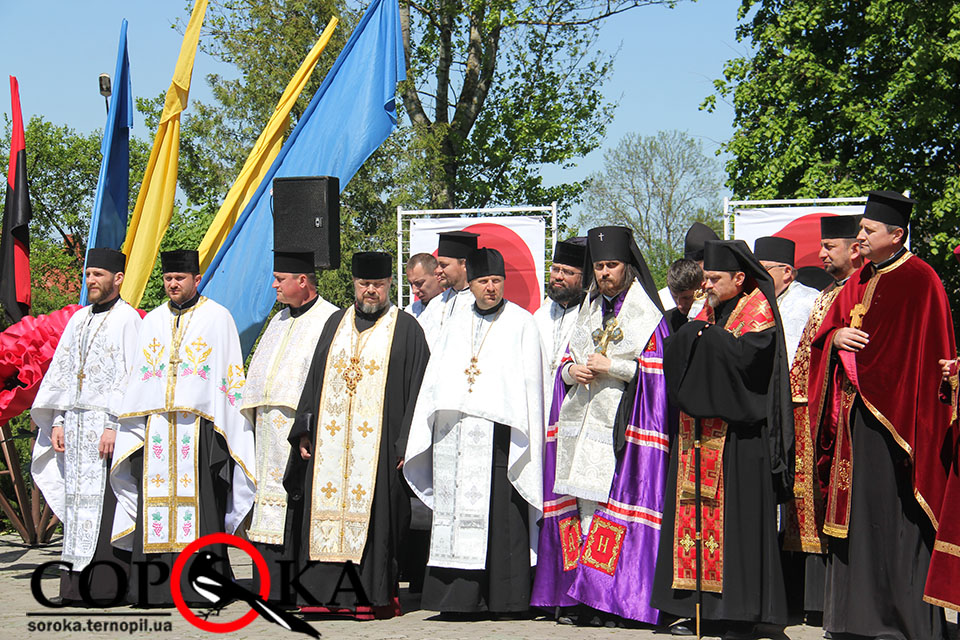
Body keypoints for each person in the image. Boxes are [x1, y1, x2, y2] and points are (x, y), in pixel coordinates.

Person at [809, 191, 956, 639]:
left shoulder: (921, 279)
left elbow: (928, 354)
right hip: (855, 422)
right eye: (860, 229)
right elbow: (826, 335)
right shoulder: (857, 280)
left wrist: (872, 371)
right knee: (857, 522)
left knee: (897, 522)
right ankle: (854, 621)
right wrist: (836, 340)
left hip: (901, 428)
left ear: (896, 235)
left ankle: (903, 623)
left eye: (869, 230)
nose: (860, 236)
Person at [652, 239, 793, 639]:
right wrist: (697, 335)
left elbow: (749, 367)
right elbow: (679, 350)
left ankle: (741, 614)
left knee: (737, 529)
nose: (706, 285)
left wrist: (705, 338)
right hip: (698, 437)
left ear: (740, 278)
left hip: (741, 441)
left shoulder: (759, 313)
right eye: (706, 278)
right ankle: (697, 609)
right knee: (694, 523)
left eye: (714, 278)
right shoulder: (708, 311)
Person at [531, 225, 670, 626]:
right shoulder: (588, 310)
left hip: (621, 431)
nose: (605, 273)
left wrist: (615, 367)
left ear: (628, 267)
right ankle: (579, 599)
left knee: (612, 514)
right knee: (582, 511)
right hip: (580, 428)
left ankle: (613, 602)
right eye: (599, 266)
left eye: (611, 265)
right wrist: (571, 371)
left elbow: (658, 373)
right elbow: (565, 362)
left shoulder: (648, 316)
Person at [285, 251, 429, 618]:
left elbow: (419, 391)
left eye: (378, 284)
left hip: (380, 450)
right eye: (365, 284)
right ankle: (321, 595)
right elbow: (314, 380)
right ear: (354, 283)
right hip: (329, 448)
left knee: (379, 520)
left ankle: (368, 596)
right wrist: (305, 430)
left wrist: (406, 444)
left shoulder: (407, 329)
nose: (371, 291)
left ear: (389, 285)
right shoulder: (335, 323)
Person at [110, 249, 256, 606]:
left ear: (197, 279)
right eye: (168, 279)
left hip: (200, 429)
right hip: (158, 426)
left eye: (179, 278)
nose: (172, 284)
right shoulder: (152, 320)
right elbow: (139, 378)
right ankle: (155, 588)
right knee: (154, 505)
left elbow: (229, 376)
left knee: (203, 505)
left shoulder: (218, 317)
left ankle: (203, 585)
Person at [404, 247, 544, 618]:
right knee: (453, 516)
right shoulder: (454, 320)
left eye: (497, 281)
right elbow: (436, 378)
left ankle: (505, 600)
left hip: (500, 437)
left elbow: (531, 387)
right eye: (483, 281)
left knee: (503, 517)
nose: (490, 288)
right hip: (454, 436)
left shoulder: (521, 322)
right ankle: (457, 600)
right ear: (473, 283)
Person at [31, 248, 141, 605]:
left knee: (106, 505)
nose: (91, 281)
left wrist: (114, 424)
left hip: (107, 430)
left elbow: (131, 375)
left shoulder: (128, 320)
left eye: (98, 275)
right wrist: (57, 420)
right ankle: (74, 589)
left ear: (117, 278)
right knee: (77, 508)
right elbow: (62, 372)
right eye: (88, 274)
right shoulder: (78, 319)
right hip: (76, 428)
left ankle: (107, 589)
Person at [240, 239, 337, 602]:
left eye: (280, 279)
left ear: (302, 280)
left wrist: (308, 427)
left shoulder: (330, 318)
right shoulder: (278, 320)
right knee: (266, 505)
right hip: (267, 430)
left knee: (296, 506)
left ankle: (297, 590)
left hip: (301, 431)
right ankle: (270, 589)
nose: (274, 285)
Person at [781, 214, 862, 626]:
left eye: (830, 247)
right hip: (808, 408)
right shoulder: (828, 292)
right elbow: (809, 349)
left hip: (843, 414)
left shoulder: (863, 289)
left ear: (854, 248)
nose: (822, 254)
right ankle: (809, 600)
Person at [754, 236, 819, 365]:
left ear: (787, 272)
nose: (757, 276)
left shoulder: (810, 300)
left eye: (764, 269)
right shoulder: (753, 300)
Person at [533, 238, 586, 380]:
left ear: (584, 277)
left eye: (567, 272)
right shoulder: (540, 315)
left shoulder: (590, 315)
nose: (558, 277)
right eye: (555, 269)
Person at [416, 231, 479, 348]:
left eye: (443, 265)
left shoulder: (480, 303)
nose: (437, 270)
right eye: (438, 265)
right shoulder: (435, 304)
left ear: (464, 264)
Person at [665, 258, 703, 334]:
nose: (680, 305)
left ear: (701, 289)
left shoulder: (714, 317)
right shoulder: (666, 323)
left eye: (687, 298)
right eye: (675, 297)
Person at [404, 252, 444, 319]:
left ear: (437, 275)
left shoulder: (454, 307)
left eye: (419, 283)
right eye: (411, 284)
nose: (414, 291)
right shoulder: (410, 311)